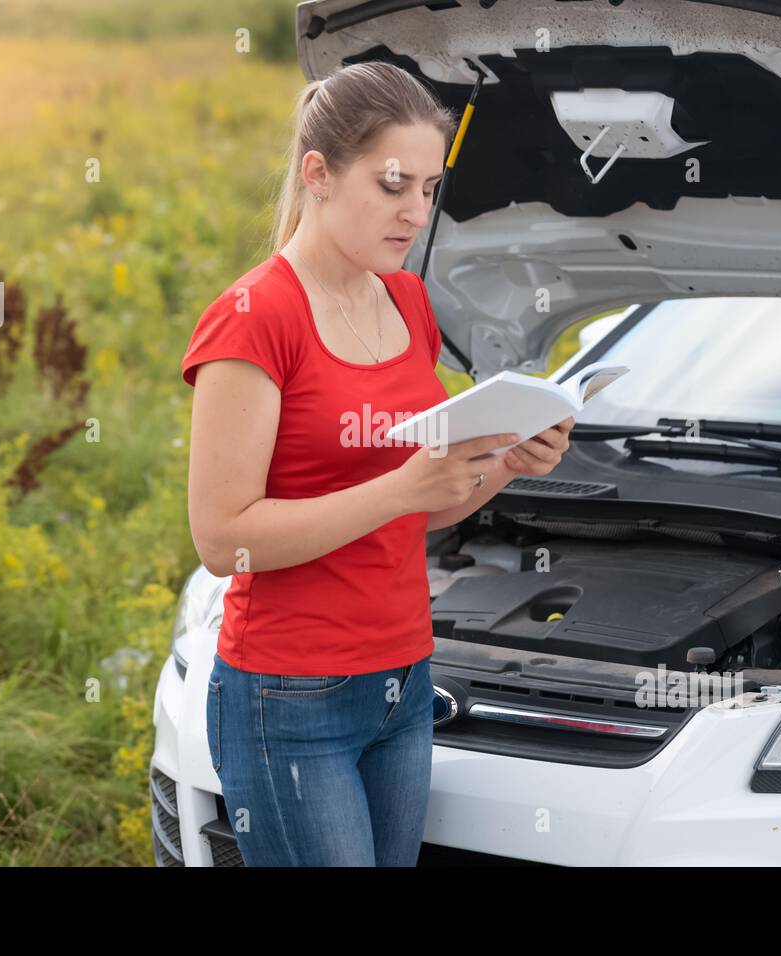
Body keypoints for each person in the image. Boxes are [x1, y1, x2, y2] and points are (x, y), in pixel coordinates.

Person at [180, 61, 573, 866]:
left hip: (403, 682)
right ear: (317, 174)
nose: (415, 213)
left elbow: (418, 508)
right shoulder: (254, 320)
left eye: (429, 188)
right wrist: (397, 487)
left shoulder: (407, 302)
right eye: (393, 185)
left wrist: (504, 463)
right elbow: (224, 538)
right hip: (289, 695)